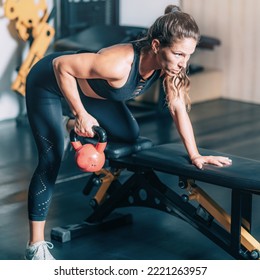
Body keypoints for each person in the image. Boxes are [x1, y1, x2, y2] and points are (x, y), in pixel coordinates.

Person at [24, 5, 232, 260]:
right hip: (48, 81)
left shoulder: (170, 65)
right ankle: (35, 247)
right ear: (156, 45)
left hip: (90, 91)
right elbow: (60, 65)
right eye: (179, 54)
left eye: (188, 55)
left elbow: (177, 107)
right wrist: (81, 114)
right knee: (51, 159)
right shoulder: (118, 64)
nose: (183, 62)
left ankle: (66, 125)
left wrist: (195, 155)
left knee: (129, 133)